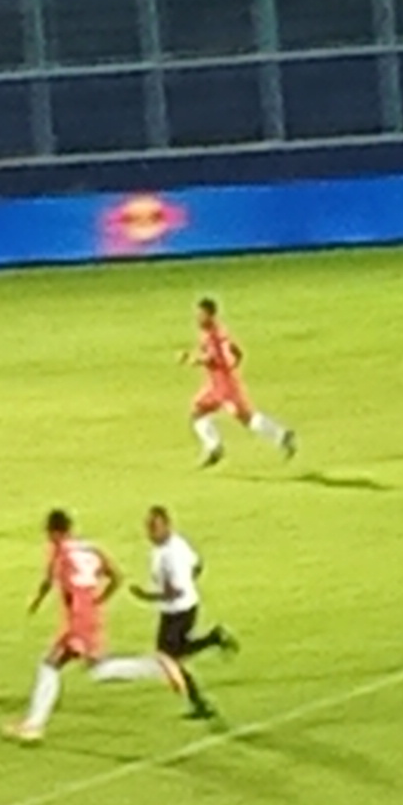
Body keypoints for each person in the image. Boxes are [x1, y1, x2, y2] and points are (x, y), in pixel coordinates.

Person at [9, 509, 200, 741]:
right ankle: (156, 666)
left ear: (54, 533)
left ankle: (33, 725)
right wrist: (99, 600)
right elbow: (117, 576)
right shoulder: (90, 549)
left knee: (57, 666)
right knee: (86, 668)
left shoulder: (61, 553)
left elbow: (50, 580)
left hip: (78, 621)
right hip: (91, 617)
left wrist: (39, 600)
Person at [131, 505, 228, 719]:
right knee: (173, 656)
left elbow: (173, 592)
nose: (150, 532)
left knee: (168, 659)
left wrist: (145, 596)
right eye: (148, 527)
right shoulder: (177, 543)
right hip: (183, 607)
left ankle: (200, 703)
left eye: (154, 527)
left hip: (178, 611)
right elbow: (198, 564)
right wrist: (188, 582)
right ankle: (213, 639)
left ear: (166, 526)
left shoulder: (169, 555)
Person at [185, 297, 297, 466]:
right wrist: (234, 363)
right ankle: (214, 447)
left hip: (225, 387)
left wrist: (196, 360)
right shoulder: (216, 332)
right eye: (197, 314)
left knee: (246, 418)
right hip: (216, 384)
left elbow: (213, 357)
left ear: (210, 315)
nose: (198, 317)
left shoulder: (213, 335)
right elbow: (236, 351)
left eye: (201, 314)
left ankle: (282, 436)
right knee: (197, 412)